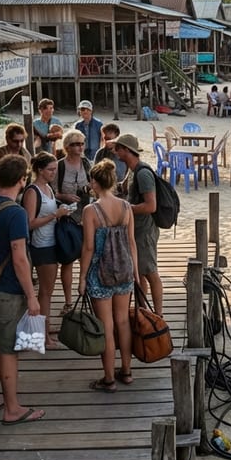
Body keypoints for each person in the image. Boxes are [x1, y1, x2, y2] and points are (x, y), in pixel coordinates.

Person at [0, 154, 45, 425]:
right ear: (22, 180)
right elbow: (19, 257)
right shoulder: (16, 213)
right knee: (9, 350)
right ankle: (12, 408)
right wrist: (32, 296)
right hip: (8, 290)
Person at [78, 159, 139, 390]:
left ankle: (108, 378)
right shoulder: (125, 207)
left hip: (99, 273)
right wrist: (135, 271)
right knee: (123, 321)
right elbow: (132, 242)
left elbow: (89, 247)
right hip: (124, 270)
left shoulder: (91, 210)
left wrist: (82, 277)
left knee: (106, 325)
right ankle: (126, 370)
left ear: (94, 182)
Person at [113, 134, 163, 315]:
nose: (115, 151)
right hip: (136, 230)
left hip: (145, 231)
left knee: (150, 272)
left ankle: (158, 315)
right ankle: (142, 311)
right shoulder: (132, 170)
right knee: (139, 273)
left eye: (118, 148)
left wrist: (126, 208)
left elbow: (151, 206)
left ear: (126, 150)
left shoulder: (142, 173)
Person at [22, 152, 68, 350]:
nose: (53, 173)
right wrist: (54, 215)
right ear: (39, 170)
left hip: (51, 242)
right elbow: (29, 223)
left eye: (55, 169)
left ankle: (41, 334)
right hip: (41, 245)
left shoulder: (47, 188)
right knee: (46, 294)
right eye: (50, 169)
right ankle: (43, 337)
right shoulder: (33, 191)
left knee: (46, 292)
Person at [55, 130, 91, 312]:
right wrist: (65, 196)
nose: (80, 147)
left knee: (88, 258)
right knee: (68, 259)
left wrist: (88, 189)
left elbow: (94, 187)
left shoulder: (86, 163)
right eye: (76, 144)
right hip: (68, 216)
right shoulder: (60, 166)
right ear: (67, 147)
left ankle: (89, 298)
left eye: (82, 143)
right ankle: (68, 302)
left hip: (86, 215)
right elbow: (53, 192)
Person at [0, 123, 33, 195]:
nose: (19, 144)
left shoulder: (27, 156)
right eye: (15, 141)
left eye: (22, 141)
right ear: (7, 139)